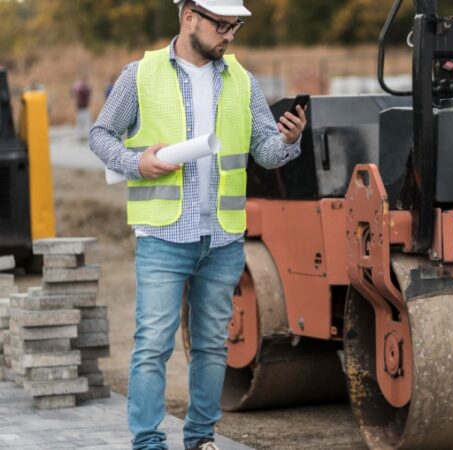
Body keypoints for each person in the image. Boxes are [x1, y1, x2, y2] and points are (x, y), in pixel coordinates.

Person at [88, 1, 306, 449]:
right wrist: (135, 162)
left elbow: (264, 152)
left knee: (211, 346)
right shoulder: (140, 75)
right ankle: (148, 442)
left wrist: (288, 139)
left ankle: (200, 438)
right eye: (222, 26)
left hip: (223, 237)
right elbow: (100, 135)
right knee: (152, 346)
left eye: (235, 27)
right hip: (163, 236)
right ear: (189, 16)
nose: (229, 36)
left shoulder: (242, 80)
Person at [72, 75, 91, 141]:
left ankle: (80, 136)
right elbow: (88, 93)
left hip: (80, 108)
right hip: (83, 108)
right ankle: (82, 136)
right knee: (85, 122)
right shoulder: (82, 88)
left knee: (81, 123)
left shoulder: (77, 87)